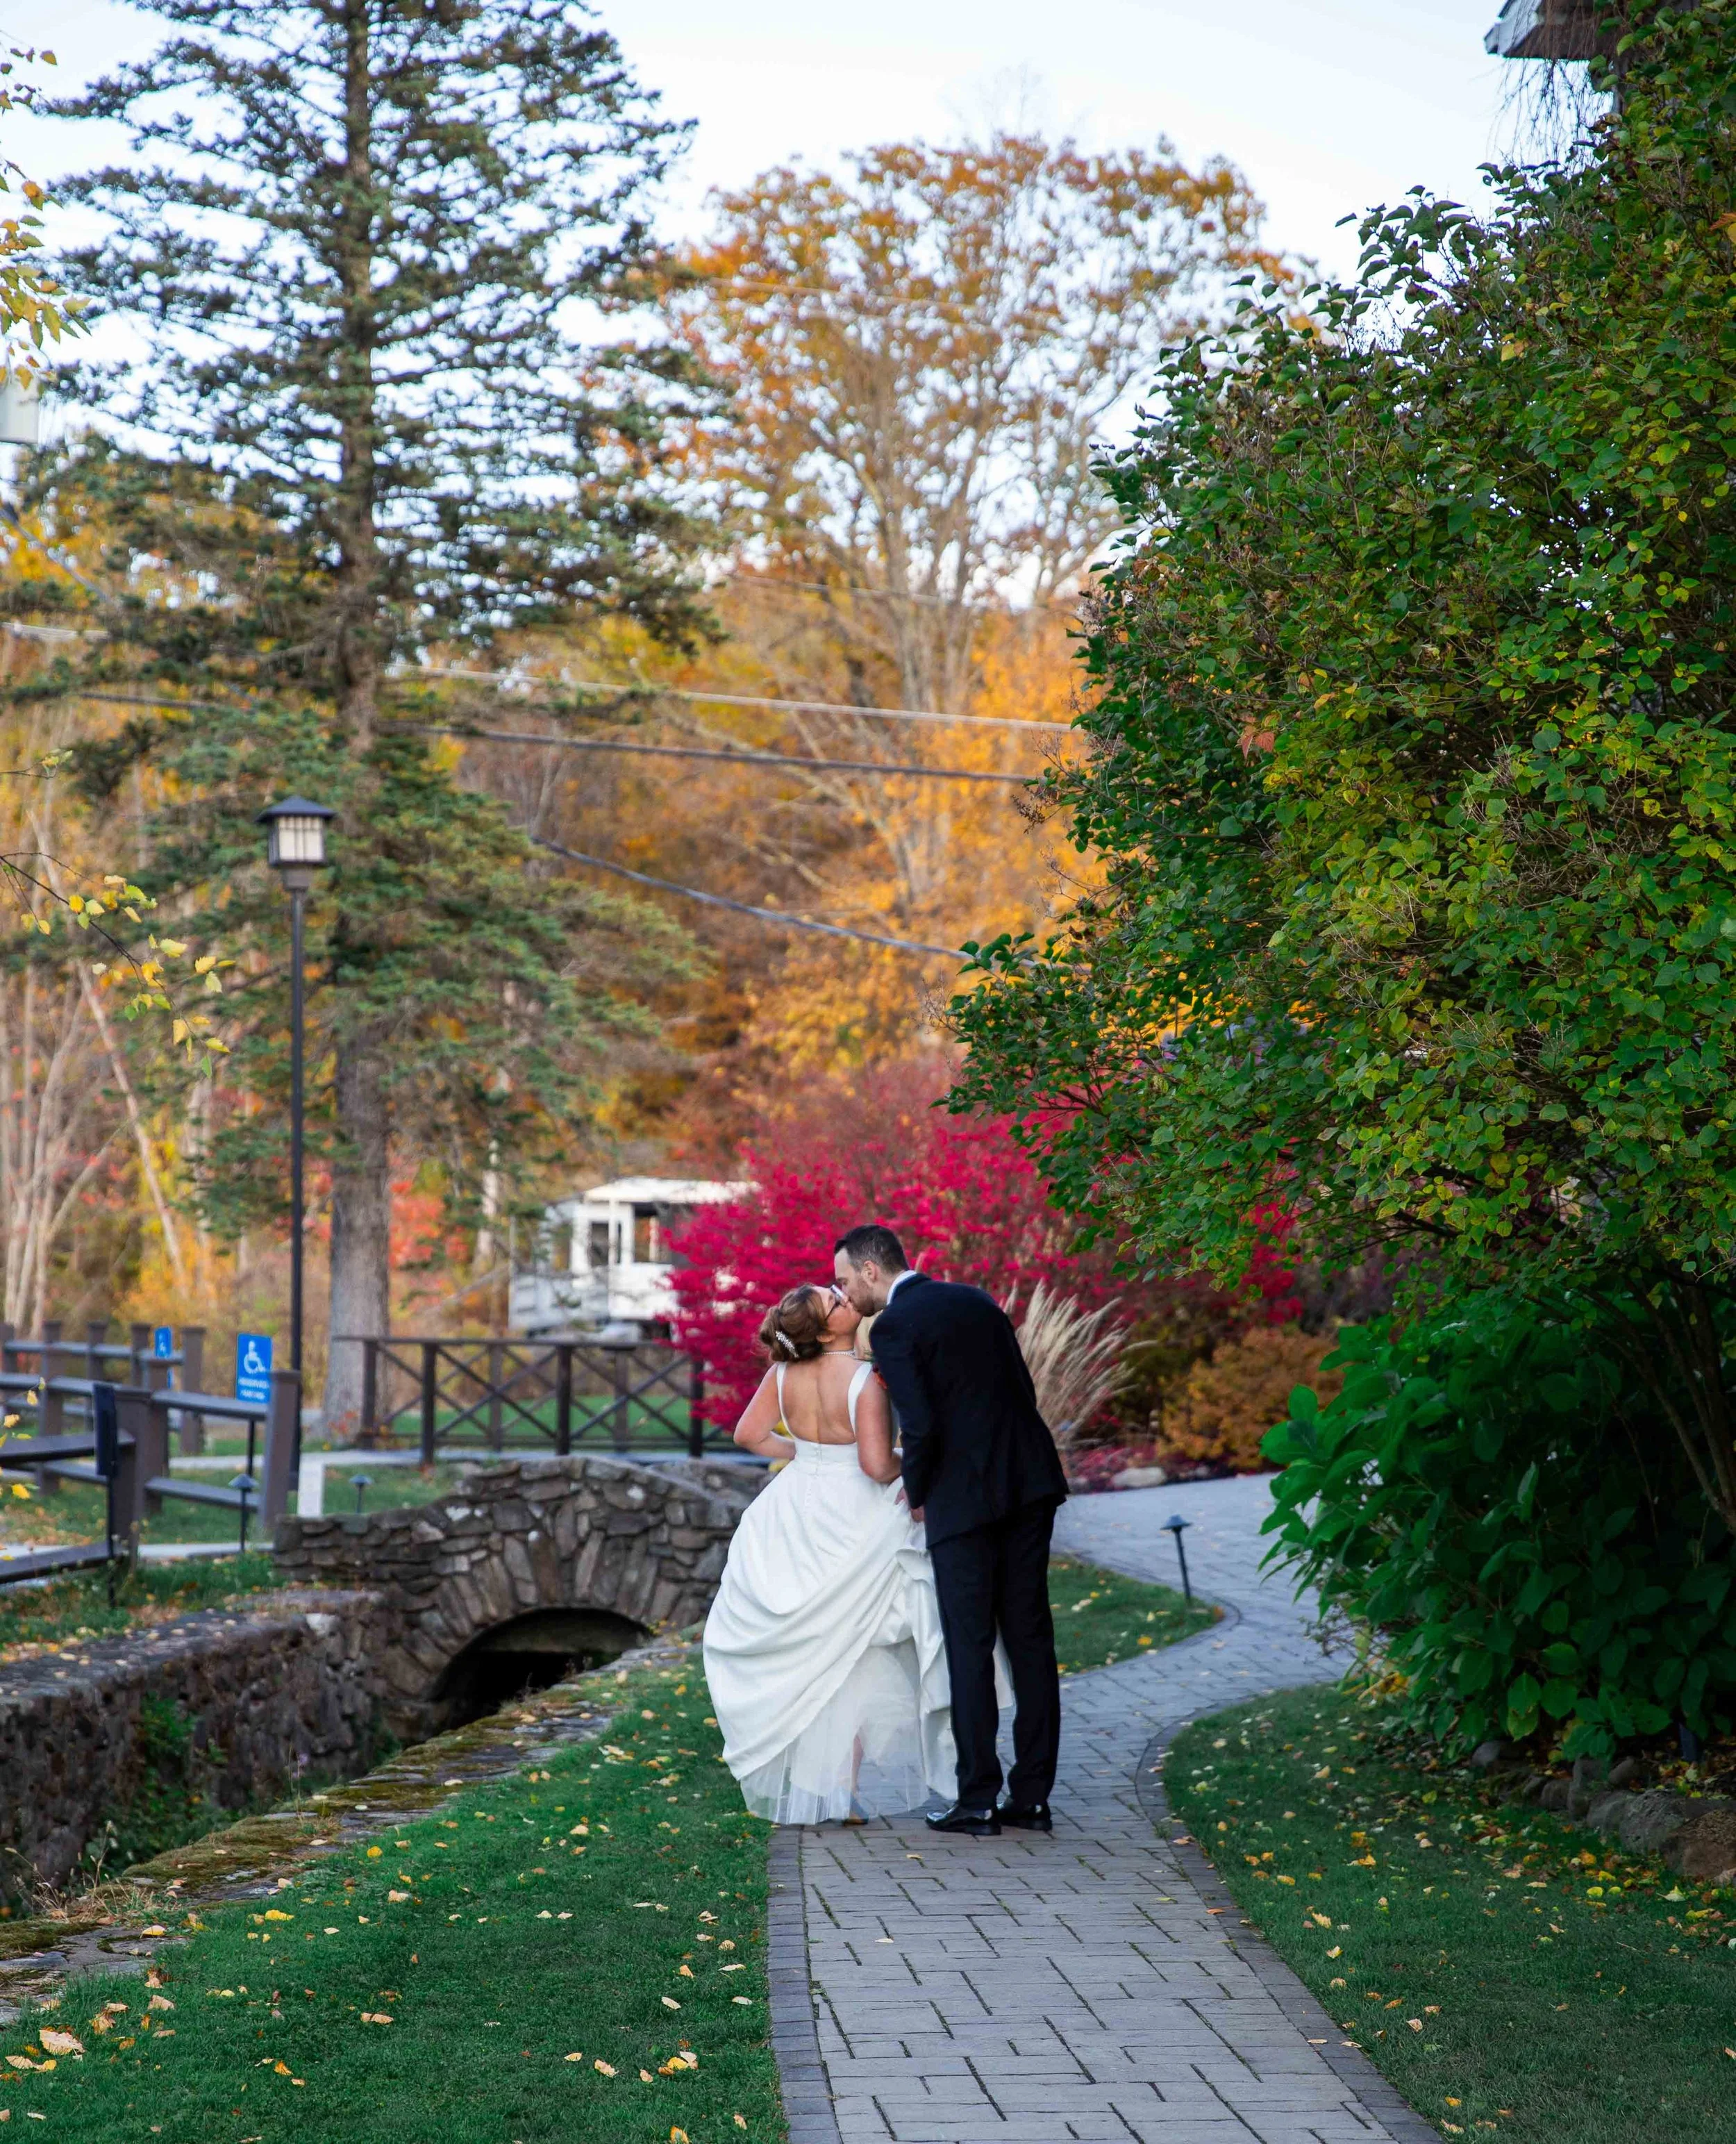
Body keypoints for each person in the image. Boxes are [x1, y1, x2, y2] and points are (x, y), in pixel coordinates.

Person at [834, 1222, 1067, 1838]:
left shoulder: (891, 1326)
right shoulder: (976, 1299)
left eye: (844, 1279)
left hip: (963, 1500)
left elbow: (924, 1422)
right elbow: (1021, 1390)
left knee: (969, 1644)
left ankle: (978, 1798)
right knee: (1031, 1639)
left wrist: (919, 1488)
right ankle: (1034, 1798)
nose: (844, 1293)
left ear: (871, 1270)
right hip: (1030, 1481)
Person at [703, 1281, 958, 1825]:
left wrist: (802, 1453)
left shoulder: (783, 1372)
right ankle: (842, 1785)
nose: (845, 1298)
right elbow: (874, 1465)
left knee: (822, 1643)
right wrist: (913, 1468)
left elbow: (749, 1433)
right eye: (835, 1302)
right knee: (857, 1642)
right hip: (855, 1512)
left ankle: (831, 1785)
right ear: (824, 1330)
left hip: (796, 1507)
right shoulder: (865, 1380)